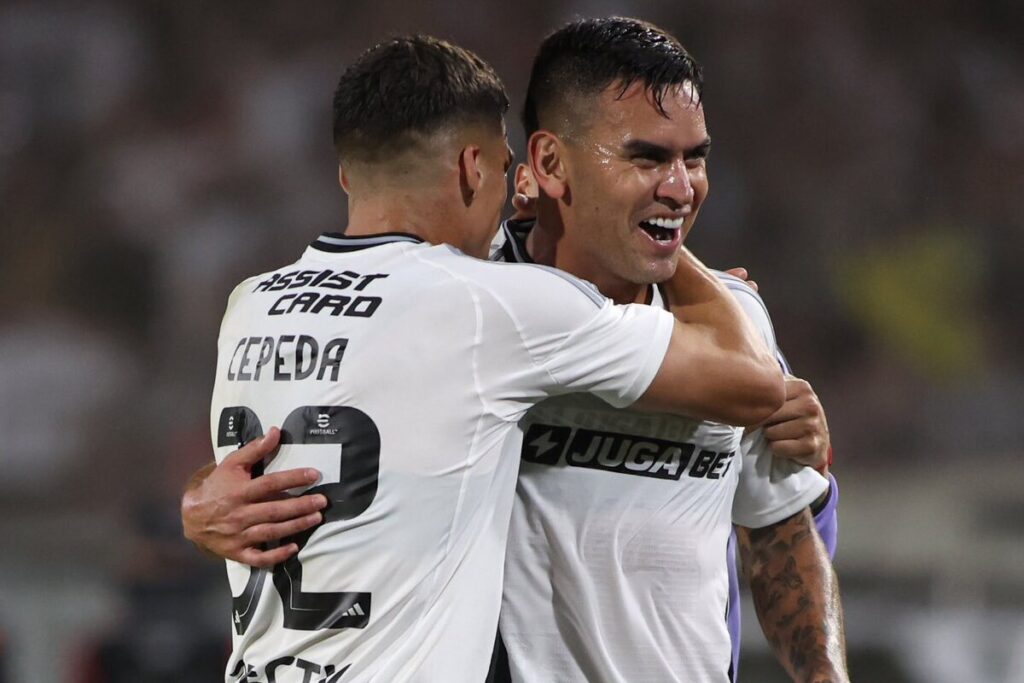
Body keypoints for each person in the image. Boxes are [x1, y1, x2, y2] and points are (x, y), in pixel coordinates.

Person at [197, 34, 784, 683]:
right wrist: (671, 251)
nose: (512, 195)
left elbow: (297, 449)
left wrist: (195, 502)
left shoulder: (252, 302)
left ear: (346, 173)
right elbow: (755, 383)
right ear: (472, 169)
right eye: (506, 170)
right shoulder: (491, 305)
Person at [485, 18, 846, 683]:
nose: (681, 187)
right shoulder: (475, 306)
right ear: (551, 162)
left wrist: (826, 676)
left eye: (695, 157)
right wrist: (223, 499)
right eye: (647, 157)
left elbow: (778, 535)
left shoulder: (733, 326)